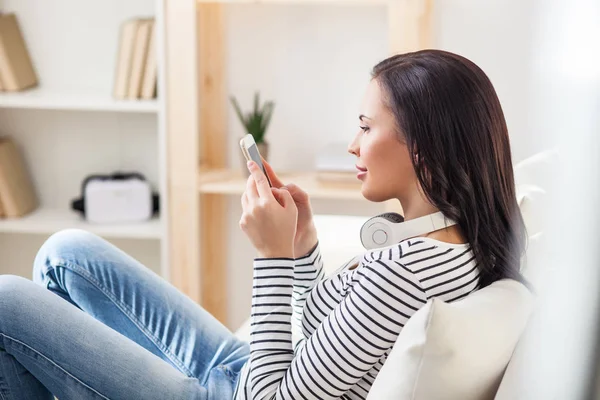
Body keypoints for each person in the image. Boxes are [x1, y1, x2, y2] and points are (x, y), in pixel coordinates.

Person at [0, 49, 526, 400]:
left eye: (366, 127)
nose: (352, 144)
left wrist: (271, 259)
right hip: (258, 369)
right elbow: (331, 332)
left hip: (250, 390)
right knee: (66, 253)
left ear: (424, 145)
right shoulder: (451, 236)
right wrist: (302, 247)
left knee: (6, 301)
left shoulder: (405, 271)